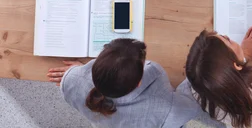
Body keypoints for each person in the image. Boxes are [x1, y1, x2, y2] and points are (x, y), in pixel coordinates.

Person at [47, 38, 214, 128]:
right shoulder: (168, 107)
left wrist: (79, 71)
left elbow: (78, 79)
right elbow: (191, 106)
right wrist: (197, 73)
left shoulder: (71, 81)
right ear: (139, 82)